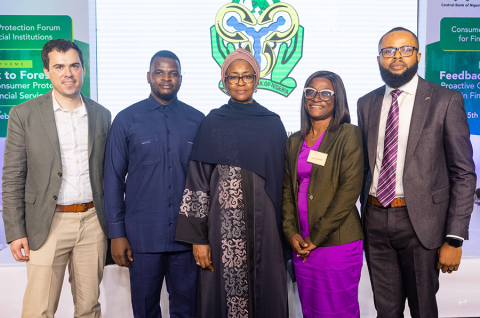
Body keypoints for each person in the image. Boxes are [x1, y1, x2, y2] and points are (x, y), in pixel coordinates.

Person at [358, 27, 476, 317]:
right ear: (379, 59)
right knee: (386, 311)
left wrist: (455, 237)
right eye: (389, 51)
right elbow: (364, 166)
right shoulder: (366, 103)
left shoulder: (445, 100)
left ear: (418, 55)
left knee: (423, 309)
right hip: (374, 220)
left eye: (405, 49)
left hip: (421, 224)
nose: (397, 56)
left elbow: (463, 173)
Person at [175, 48, 288, 318]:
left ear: (256, 80)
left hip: (267, 229)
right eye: (233, 77)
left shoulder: (272, 124)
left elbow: (284, 183)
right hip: (221, 229)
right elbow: (197, 183)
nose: (240, 82)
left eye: (246, 76)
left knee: (268, 292)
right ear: (224, 82)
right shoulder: (213, 122)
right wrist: (198, 239)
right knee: (222, 296)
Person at [2, 39, 111, 318]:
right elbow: (12, 177)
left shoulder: (101, 115)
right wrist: (15, 232)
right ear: (46, 72)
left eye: (74, 65)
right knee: (39, 310)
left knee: (89, 309)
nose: (68, 73)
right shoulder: (23, 114)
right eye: (59, 66)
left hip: (92, 223)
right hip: (47, 223)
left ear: (83, 69)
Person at [104, 50, 204, 318]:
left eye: (173, 73)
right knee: (145, 310)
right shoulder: (126, 120)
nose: (166, 78)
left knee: (187, 311)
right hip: (142, 238)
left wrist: (202, 234)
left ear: (181, 79)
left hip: (186, 239)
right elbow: (113, 179)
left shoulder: (198, 121)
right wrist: (116, 234)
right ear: (148, 77)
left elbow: (205, 182)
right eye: (159, 72)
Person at [282, 71, 364, 317]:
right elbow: (287, 187)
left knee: (338, 310)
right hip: (302, 244)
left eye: (326, 93)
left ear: (337, 99)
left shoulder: (348, 134)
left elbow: (349, 191)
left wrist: (316, 238)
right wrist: (290, 232)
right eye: (310, 91)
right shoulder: (294, 140)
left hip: (336, 242)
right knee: (311, 310)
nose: (317, 98)